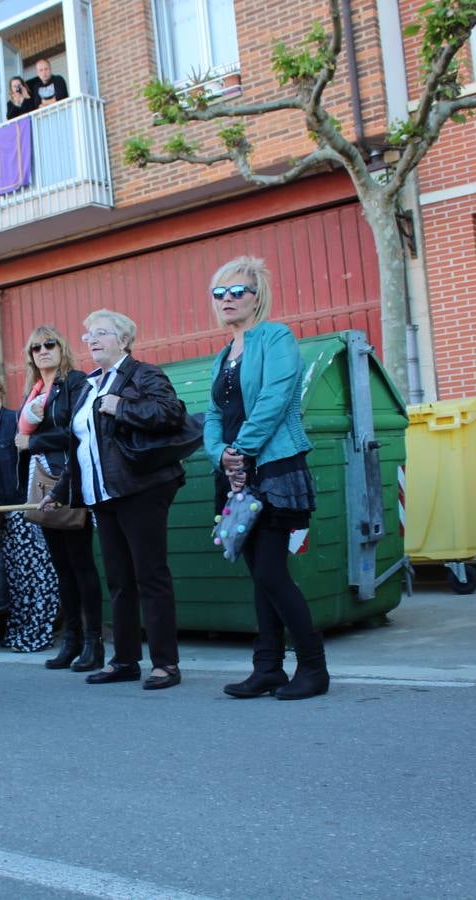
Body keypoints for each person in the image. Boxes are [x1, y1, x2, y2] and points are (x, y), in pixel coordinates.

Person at [202, 258, 327, 701]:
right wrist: (221, 454)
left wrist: (242, 450)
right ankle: (268, 668)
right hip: (238, 477)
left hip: (272, 469)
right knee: (260, 574)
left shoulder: (276, 337)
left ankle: (313, 668)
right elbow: (214, 414)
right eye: (220, 293)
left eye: (237, 291)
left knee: (272, 572)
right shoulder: (223, 354)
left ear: (257, 297)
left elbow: (275, 399)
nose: (228, 299)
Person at [40, 310, 184, 689]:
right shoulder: (88, 386)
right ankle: (124, 660)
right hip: (103, 496)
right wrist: (58, 492)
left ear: (123, 340)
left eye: (102, 333)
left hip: (140, 489)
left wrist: (122, 406)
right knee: (119, 580)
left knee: (150, 575)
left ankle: (165, 663)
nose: (92, 339)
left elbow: (172, 412)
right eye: (88, 334)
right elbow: (82, 449)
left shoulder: (142, 374)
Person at [16, 326, 105, 671]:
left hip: (70, 481)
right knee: (62, 569)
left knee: (81, 566)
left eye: (49, 344)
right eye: (35, 347)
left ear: (61, 348)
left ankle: (93, 643)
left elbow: (78, 431)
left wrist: (34, 443)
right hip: (41, 484)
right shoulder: (33, 391)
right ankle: (71, 640)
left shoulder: (75, 382)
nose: (42, 350)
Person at [0, 375, 59, 652]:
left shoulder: (15, 421)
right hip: (4, 513)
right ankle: (21, 632)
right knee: (17, 578)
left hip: (25, 508)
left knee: (38, 574)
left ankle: (39, 633)